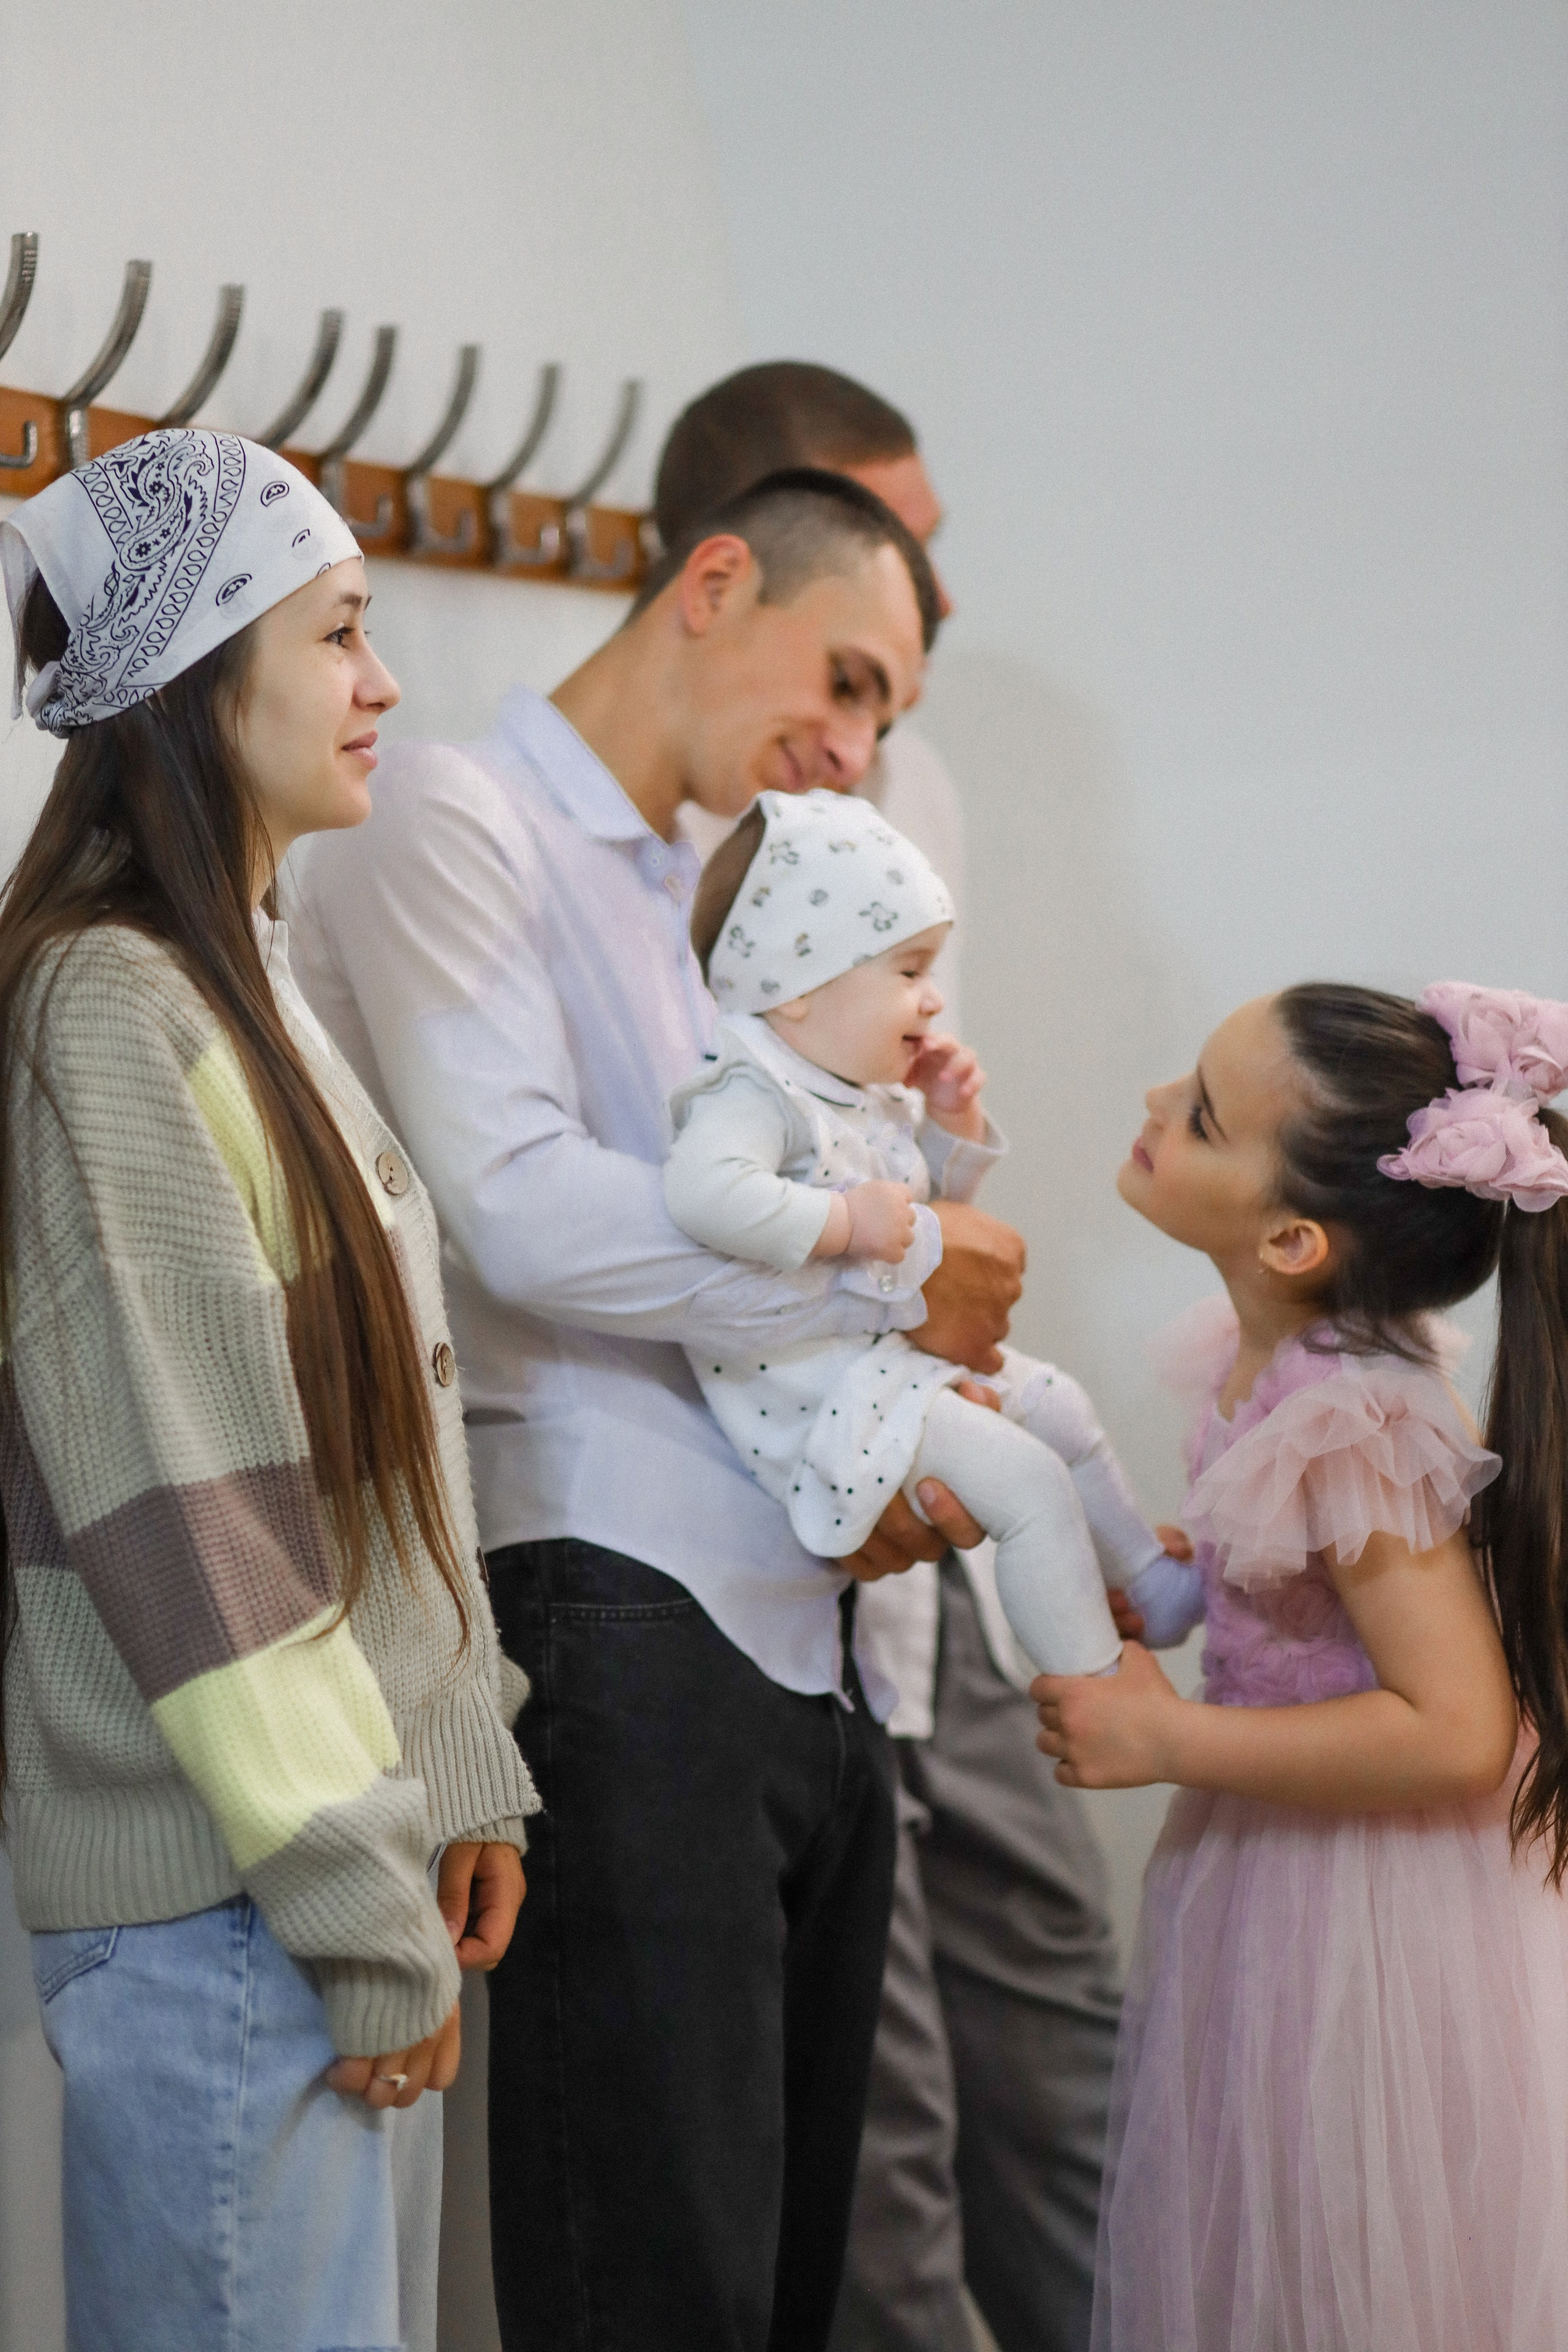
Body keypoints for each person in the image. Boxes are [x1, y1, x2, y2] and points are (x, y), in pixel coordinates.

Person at [283, 467, 1023, 2352]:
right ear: (714, 582)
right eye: (846, 680)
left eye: (883, 715)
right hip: (608, 1597)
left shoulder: (743, 902)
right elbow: (524, 1215)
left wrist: (918, 1218)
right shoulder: (455, 810)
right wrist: (894, 1268)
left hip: (797, 1623)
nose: (854, 747)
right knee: (654, 2286)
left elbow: (788, 1216)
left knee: (783, 2288)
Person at [0, 430, 538, 2352]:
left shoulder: (241, 973)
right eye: (338, 631)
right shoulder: (109, 1005)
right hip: (241, 1909)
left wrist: (457, 1767)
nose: (382, 681)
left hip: (311, 1882)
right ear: (199, 674)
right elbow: (195, 1514)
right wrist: (357, 1903)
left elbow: (370, 1451)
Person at [658, 362, 1125, 2352]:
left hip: (942, 1533)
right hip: (798, 1519)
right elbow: (705, 1211)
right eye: (887, 563)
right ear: (745, 561)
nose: (924, 597)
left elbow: (902, 1139)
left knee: (1070, 2041)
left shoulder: (896, 791)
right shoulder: (669, 873)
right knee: (887, 2138)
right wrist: (886, 1246)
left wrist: (944, 1165)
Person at [1036, 981, 1568, 2350]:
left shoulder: (1351, 1417)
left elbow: (1456, 1728)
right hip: (1270, 1871)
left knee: (1348, 2272)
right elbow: (1308, 1602)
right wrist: (1191, 1590)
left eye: (1203, 1115)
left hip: (1364, 1914)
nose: (1156, 1103)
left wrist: (1170, 1740)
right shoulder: (1266, 1361)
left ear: (1290, 1239)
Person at [666, 786, 1186, 1673]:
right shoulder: (752, 1091)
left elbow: (927, 1222)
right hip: (822, 1395)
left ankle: (1150, 1582)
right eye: (909, 973)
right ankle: (1097, 1686)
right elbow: (703, 1192)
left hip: (892, 1364)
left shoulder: (853, 1092)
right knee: (1028, 1485)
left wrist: (949, 1122)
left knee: (1058, 1404)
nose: (934, 1001)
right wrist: (843, 1221)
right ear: (797, 985)